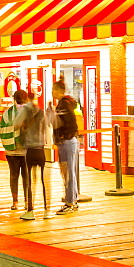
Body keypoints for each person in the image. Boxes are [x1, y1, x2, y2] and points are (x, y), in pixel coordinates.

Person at [48, 80, 80, 215]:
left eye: (54, 90)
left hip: (67, 141)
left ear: (60, 91)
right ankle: (73, 199)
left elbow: (69, 123)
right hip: (67, 141)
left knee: (68, 173)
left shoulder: (64, 105)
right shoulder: (63, 104)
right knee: (67, 172)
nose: (52, 92)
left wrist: (64, 135)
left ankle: (70, 202)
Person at [19, 91, 51, 219]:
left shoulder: (25, 110)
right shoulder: (41, 111)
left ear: (27, 98)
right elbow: (47, 127)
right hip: (41, 148)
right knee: (44, 180)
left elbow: (16, 123)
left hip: (30, 149)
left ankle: (30, 210)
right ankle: (46, 210)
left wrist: (24, 127)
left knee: (30, 181)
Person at [0, 90, 31, 215]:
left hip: (10, 149)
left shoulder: (7, 113)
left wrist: (13, 128)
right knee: (26, 176)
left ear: (14, 99)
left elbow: (2, 129)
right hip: (26, 149)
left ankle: (15, 201)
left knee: (14, 175)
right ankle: (27, 201)